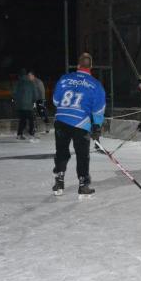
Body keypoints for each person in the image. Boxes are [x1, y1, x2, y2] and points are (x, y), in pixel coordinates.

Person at [51, 53, 106, 196]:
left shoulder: (65, 79)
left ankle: (59, 182)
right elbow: (98, 110)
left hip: (61, 120)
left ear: (78, 66)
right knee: (82, 155)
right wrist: (96, 126)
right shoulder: (96, 84)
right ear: (91, 67)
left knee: (61, 152)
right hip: (81, 123)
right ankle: (83, 184)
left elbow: (56, 101)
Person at [13, 69, 38, 139]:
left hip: (20, 106)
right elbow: (35, 95)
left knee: (22, 120)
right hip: (28, 105)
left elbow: (14, 94)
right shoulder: (31, 83)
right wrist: (34, 101)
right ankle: (31, 134)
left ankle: (19, 134)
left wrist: (17, 102)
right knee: (31, 120)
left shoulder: (18, 83)